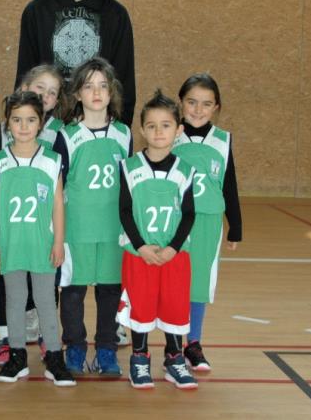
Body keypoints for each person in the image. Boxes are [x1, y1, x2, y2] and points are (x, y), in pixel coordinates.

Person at [52, 57, 131, 376]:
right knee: (72, 291)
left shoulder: (124, 134)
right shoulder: (68, 135)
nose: (96, 92)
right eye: (89, 86)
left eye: (103, 85)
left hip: (113, 229)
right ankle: (75, 347)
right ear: (78, 94)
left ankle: (107, 349)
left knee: (110, 291)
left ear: (112, 93)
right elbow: (58, 188)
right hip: (77, 230)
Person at [0, 91, 75, 387]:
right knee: (14, 300)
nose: (23, 126)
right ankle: (17, 356)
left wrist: (58, 242)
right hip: (12, 244)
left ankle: (54, 356)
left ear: (41, 123)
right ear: (7, 124)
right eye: (16, 120)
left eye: (30, 120)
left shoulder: (52, 160)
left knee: (45, 301)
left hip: (42, 243)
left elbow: (57, 205)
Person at [117, 90, 198, 390]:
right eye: (151, 125)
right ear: (142, 130)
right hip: (140, 255)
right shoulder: (129, 167)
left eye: (166, 125)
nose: (158, 131)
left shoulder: (185, 171)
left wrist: (172, 248)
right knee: (141, 308)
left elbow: (189, 215)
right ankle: (139, 359)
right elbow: (124, 211)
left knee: (174, 307)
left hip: (174, 256)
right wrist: (141, 246)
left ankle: (175, 359)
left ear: (179, 130)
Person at [15, 0, 135, 127]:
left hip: (98, 123)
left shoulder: (115, 14)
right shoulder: (37, 11)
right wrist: (24, 120)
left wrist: (120, 128)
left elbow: (124, 78)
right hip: (46, 124)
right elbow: (26, 72)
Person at [172, 73, 242, 371]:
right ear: (181, 103)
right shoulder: (169, 135)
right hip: (172, 222)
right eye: (192, 102)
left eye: (206, 104)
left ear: (216, 107)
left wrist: (235, 225)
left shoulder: (223, 140)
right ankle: (173, 346)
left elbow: (229, 185)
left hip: (207, 224)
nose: (198, 110)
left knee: (198, 283)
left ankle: (194, 343)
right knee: (173, 282)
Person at [0, 64, 67, 150]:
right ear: (25, 88)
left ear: (55, 103)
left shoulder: (59, 129)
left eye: (52, 92)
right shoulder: (5, 126)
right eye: (40, 87)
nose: (46, 94)